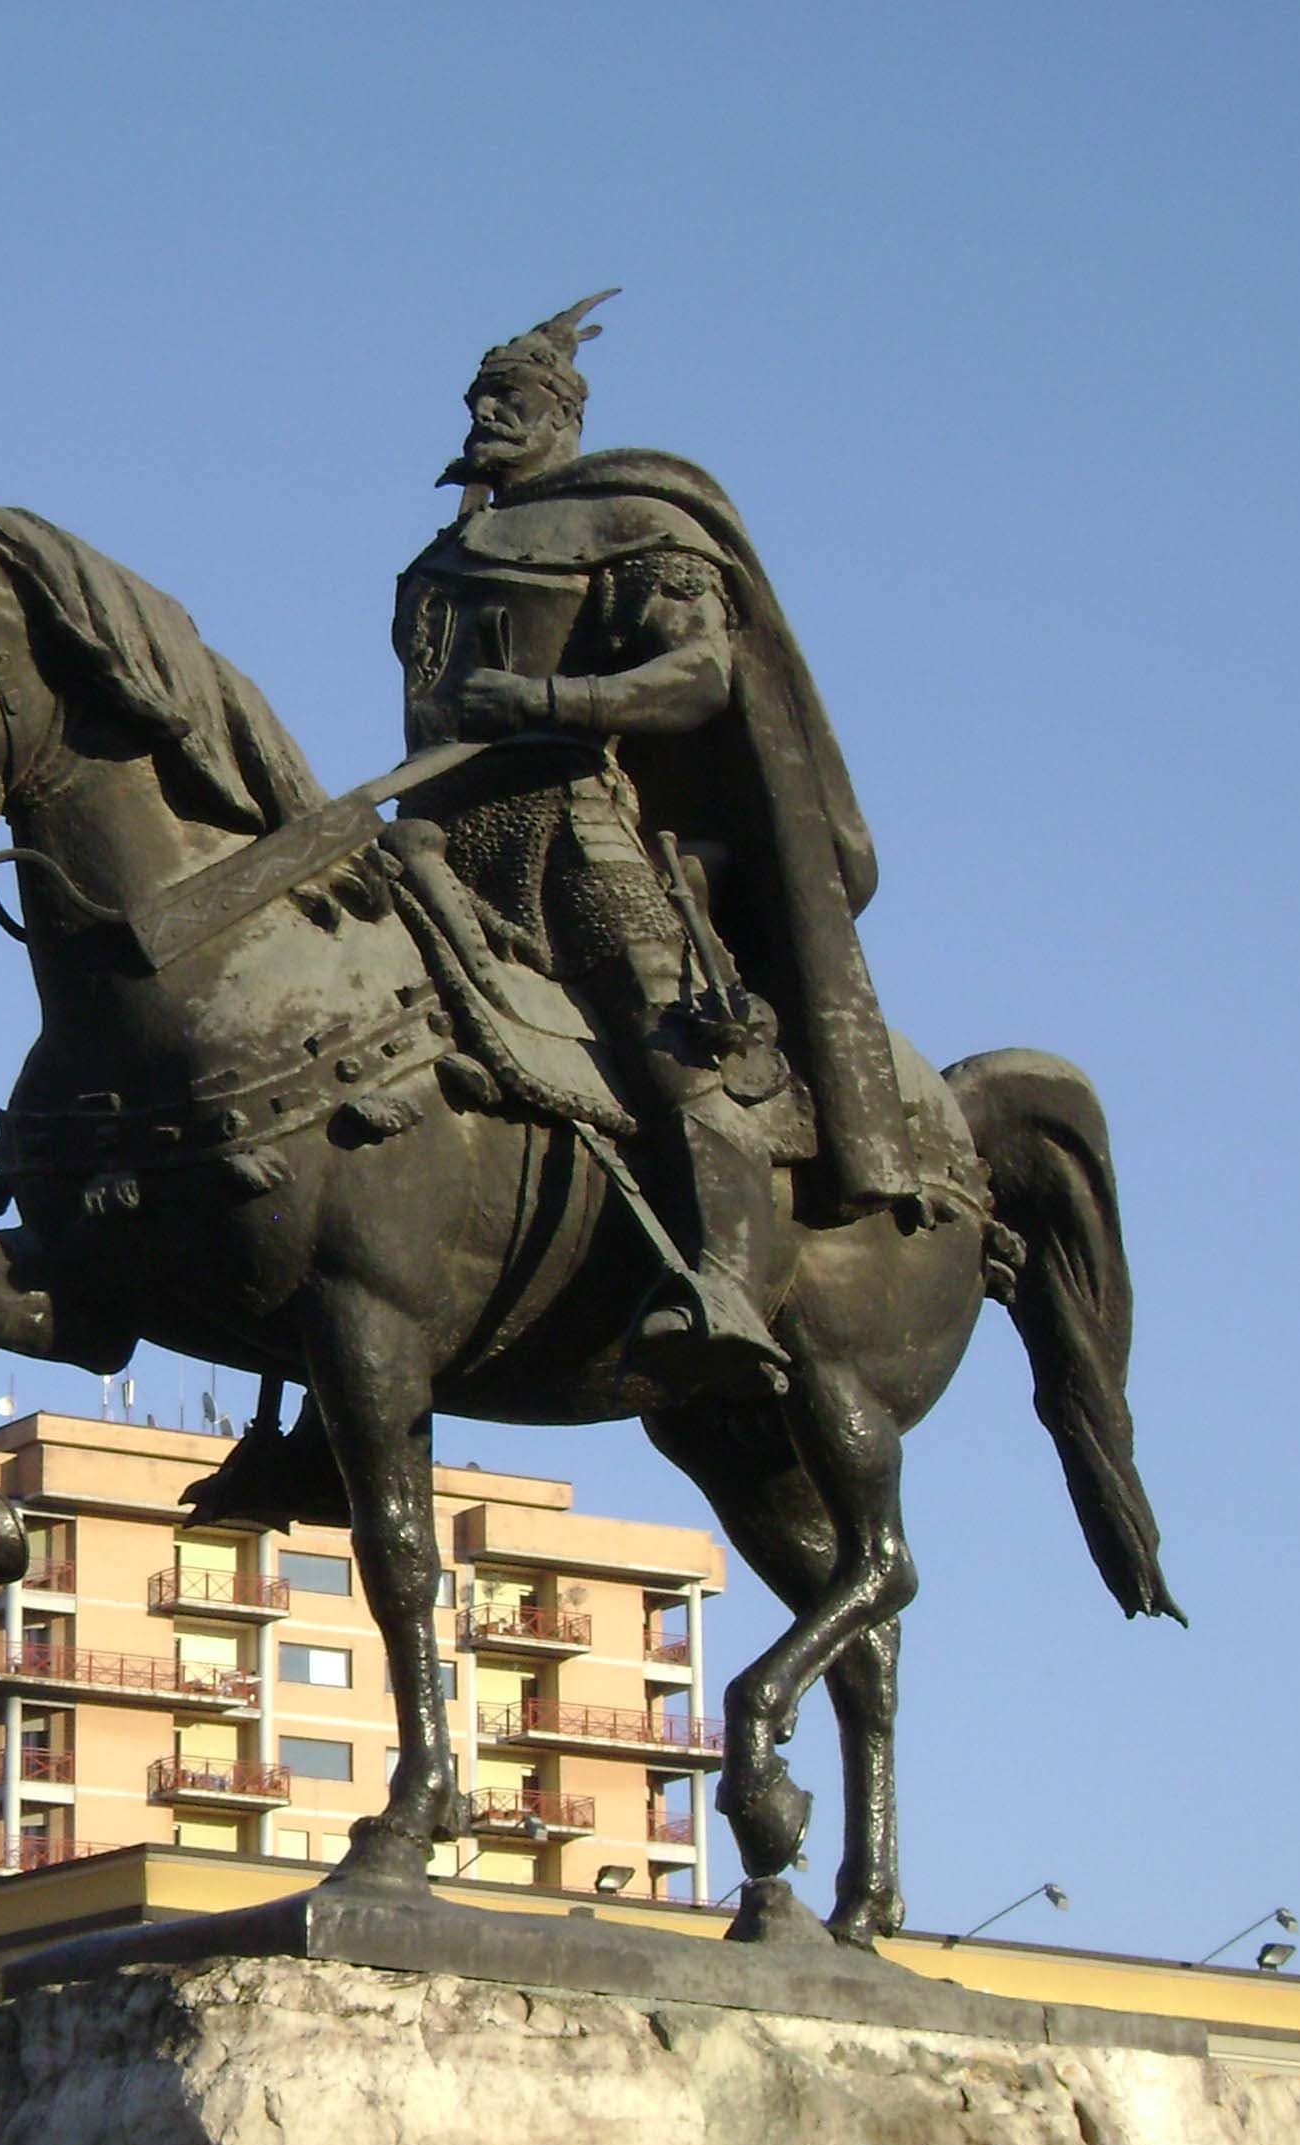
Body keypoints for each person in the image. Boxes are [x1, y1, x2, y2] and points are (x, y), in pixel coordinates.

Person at [393, 292, 918, 1391]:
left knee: (674, 1041)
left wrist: (545, 696)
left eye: (510, 397)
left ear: (564, 414)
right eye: (478, 397)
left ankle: (727, 1282)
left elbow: (699, 673)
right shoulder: (449, 547)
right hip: (432, 836)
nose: (484, 412)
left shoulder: (632, 523)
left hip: (572, 833)